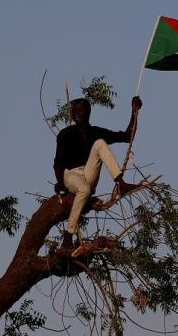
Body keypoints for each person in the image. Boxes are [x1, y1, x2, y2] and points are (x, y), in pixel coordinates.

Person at [53, 96, 143, 249]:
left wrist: (135, 112)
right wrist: (60, 183)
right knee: (84, 189)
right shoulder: (65, 134)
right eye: (74, 111)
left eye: (80, 110)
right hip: (71, 175)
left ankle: (120, 183)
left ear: (88, 112)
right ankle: (68, 237)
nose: (76, 114)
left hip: (88, 174)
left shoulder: (95, 132)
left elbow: (127, 136)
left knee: (100, 143)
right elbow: (58, 163)